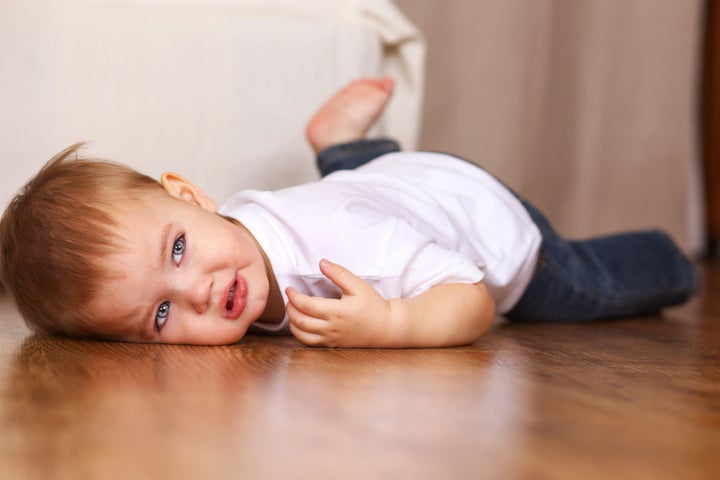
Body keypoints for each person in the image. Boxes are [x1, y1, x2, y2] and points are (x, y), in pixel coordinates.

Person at [0, 78, 699, 348]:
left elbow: (473, 296)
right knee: (359, 183)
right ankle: (343, 147)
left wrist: (393, 322)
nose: (198, 292)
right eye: (160, 316)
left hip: (483, 222)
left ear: (189, 196)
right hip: (389, 186)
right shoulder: (236, 229)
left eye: (178, 251)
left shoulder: (344, 246)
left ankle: (674, 260)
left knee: (587, 284)